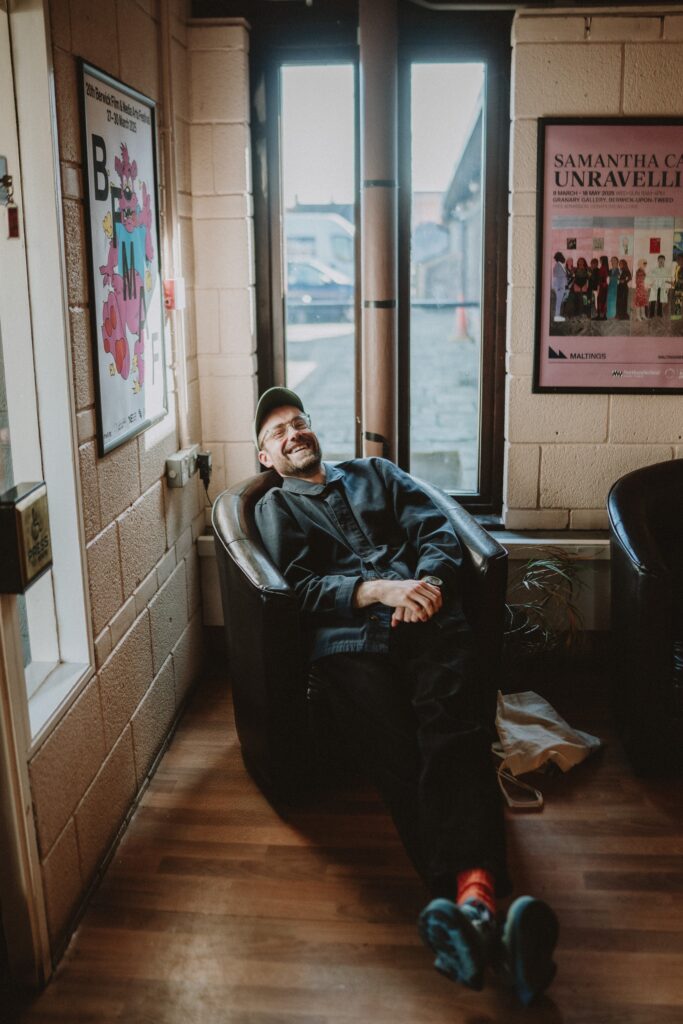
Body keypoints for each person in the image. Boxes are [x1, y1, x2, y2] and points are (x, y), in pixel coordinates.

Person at [252, 386, 559, 1007]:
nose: (292, 435)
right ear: (266, 458)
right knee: (400, 752)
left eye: (298, 422)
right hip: (348, 643)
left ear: (314, 429)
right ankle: (484, 907)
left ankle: (471, 911)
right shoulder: (275, 512)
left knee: (451, 731)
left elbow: (435, 531)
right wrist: (379, 591)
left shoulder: (376, 474)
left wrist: (427, 586)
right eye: (276, 433)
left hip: (430, 618)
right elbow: (299, 589)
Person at [648, 254, 671, 318]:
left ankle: (659, 313)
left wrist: (667, 289)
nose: (661, 261)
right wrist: (651, 283)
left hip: (662, 287)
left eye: (662, 260)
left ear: (664, 261)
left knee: (660, 301)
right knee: (653, 300)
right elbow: (650, 277)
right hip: (655, 287)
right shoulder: (654, 269)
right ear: (658, 261)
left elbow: (668, 279)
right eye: (660, 260)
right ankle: (651, 314)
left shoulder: (666, 270)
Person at [551, 251, 567, 323]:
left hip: (560, 287)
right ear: (560, 257)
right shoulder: (558, 266)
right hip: (559, 287)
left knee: (559, 302)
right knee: (558, 302)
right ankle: (557, 316)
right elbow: (557, 278)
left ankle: (558, 316)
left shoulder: (559, 265)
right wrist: (559, 287)